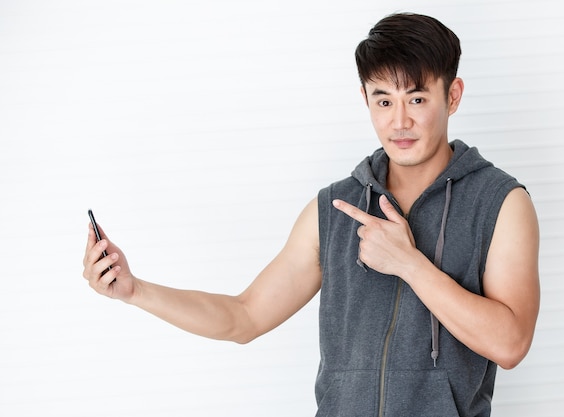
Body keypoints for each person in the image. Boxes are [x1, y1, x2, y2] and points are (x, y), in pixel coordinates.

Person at [83, 12, 540, 416]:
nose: (399, 121)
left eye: (417, 99)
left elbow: (510, 343)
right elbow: (244, 316)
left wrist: (409, 264)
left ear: (453, 95)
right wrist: (134, 290)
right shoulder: (335, 208)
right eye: (384, 100)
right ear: (366, 99)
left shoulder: (500, 202)